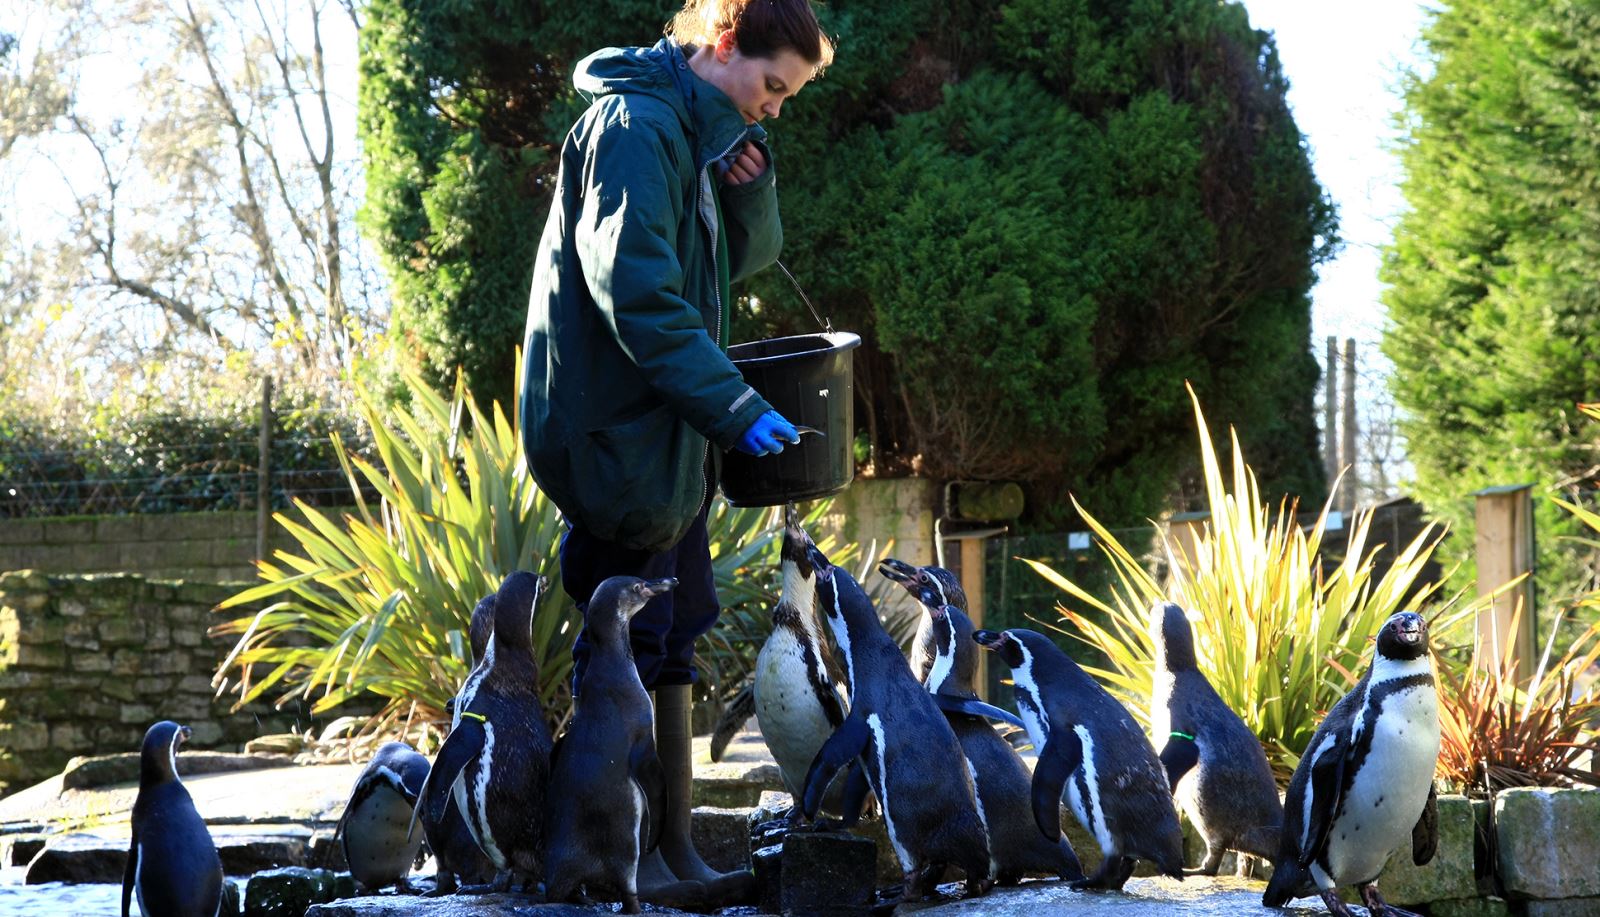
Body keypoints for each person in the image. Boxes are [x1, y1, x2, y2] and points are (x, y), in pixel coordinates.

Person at [519, 0, 834, 906]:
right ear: (724, 44)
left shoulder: (695, 134)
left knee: (678, 622)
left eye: (787, 99)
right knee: (626, 632)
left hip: (671, 428)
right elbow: (638, 290)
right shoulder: (635, 126)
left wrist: (747, 189)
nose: (773, 108)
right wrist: (735, 406)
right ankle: (622, 856)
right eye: (771, 86)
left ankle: (679, 848)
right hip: (618, 429)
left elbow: (737, 264)